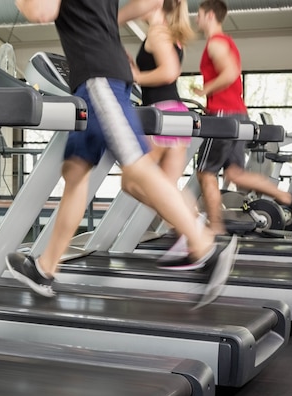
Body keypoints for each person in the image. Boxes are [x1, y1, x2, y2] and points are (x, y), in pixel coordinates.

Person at [7, 0, 238, 309]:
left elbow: (41, 12)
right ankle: (45, 268)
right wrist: (105, 20)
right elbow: (151, 1)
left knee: (137, 167)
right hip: (96, 76)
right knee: (75, 172)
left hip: (98, 75)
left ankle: (205, 247)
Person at [193, 0, 292, 235]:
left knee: (205, 172)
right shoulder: (227, 42)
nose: (196, 19)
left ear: (208, 15)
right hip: (237, 114)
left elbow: (230, 72)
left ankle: (215, 227)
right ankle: (290, 199)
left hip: (223, 117)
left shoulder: (216, 42)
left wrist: (206, 90)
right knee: (236, 175)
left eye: (199, 14)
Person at [120, 0, 201, 256]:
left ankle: (189, 227)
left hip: (161, 115)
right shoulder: (170, 33)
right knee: (167, 186)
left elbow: (169, 72)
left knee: (131, 182)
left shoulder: (158, 31)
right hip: (174, 114)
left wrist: (136, 77)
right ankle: (191, 227)